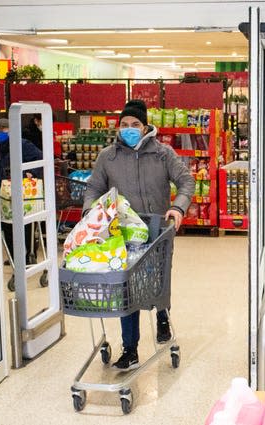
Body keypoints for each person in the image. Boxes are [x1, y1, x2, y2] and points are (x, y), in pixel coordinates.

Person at [83, 99, 195, 371]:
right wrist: (90, 211)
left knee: (157, 280)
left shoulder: (162, 154)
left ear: (146, 128)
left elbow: (186, 180)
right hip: (123, 234)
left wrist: (178, 207)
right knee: (127, 288)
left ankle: (162, 315)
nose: (129, 129)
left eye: (135, 125)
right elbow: (93, 188)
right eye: (124, 125)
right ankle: (130, 348)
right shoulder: (107, 157)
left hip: (158, 231)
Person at [0, 118, 43, 265]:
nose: (1, 133)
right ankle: (14, 257)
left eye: (4, 130)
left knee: (26, 225)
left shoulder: (23, 145)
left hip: (24, 193)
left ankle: (29, 255)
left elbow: (41, 159)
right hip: (4, 194)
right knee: (7, 226)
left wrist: (32, 173)